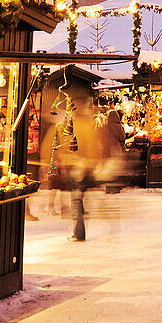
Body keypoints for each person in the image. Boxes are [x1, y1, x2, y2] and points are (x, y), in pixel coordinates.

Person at [61, 97, 100, 242]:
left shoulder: (73, 124)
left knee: (76, 200)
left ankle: (79, 233)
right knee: (78, 199)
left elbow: (66, 145)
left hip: (77, 167)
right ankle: (79, 229)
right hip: (83, 166)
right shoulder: (86, 123)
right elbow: (93, 145)